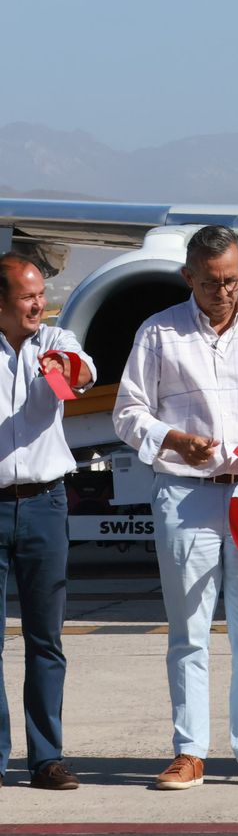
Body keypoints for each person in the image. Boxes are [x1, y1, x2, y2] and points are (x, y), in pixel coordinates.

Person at [113, 226, 238, 791]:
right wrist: (174, 439)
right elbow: (127, 412)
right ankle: (189, 750)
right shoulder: (158, 332)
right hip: (186, 495)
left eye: (231, 281)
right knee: (188, 630)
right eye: (209, 284)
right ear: (188, 278)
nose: (223, 293)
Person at [0, 252, 95, 791]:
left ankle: (46, 758)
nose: (38, 304)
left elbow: (85, 372)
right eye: (26, 297)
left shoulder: (56, 342)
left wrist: (66, 371)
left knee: (45, 638)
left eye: (41, 295)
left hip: (43, 503)